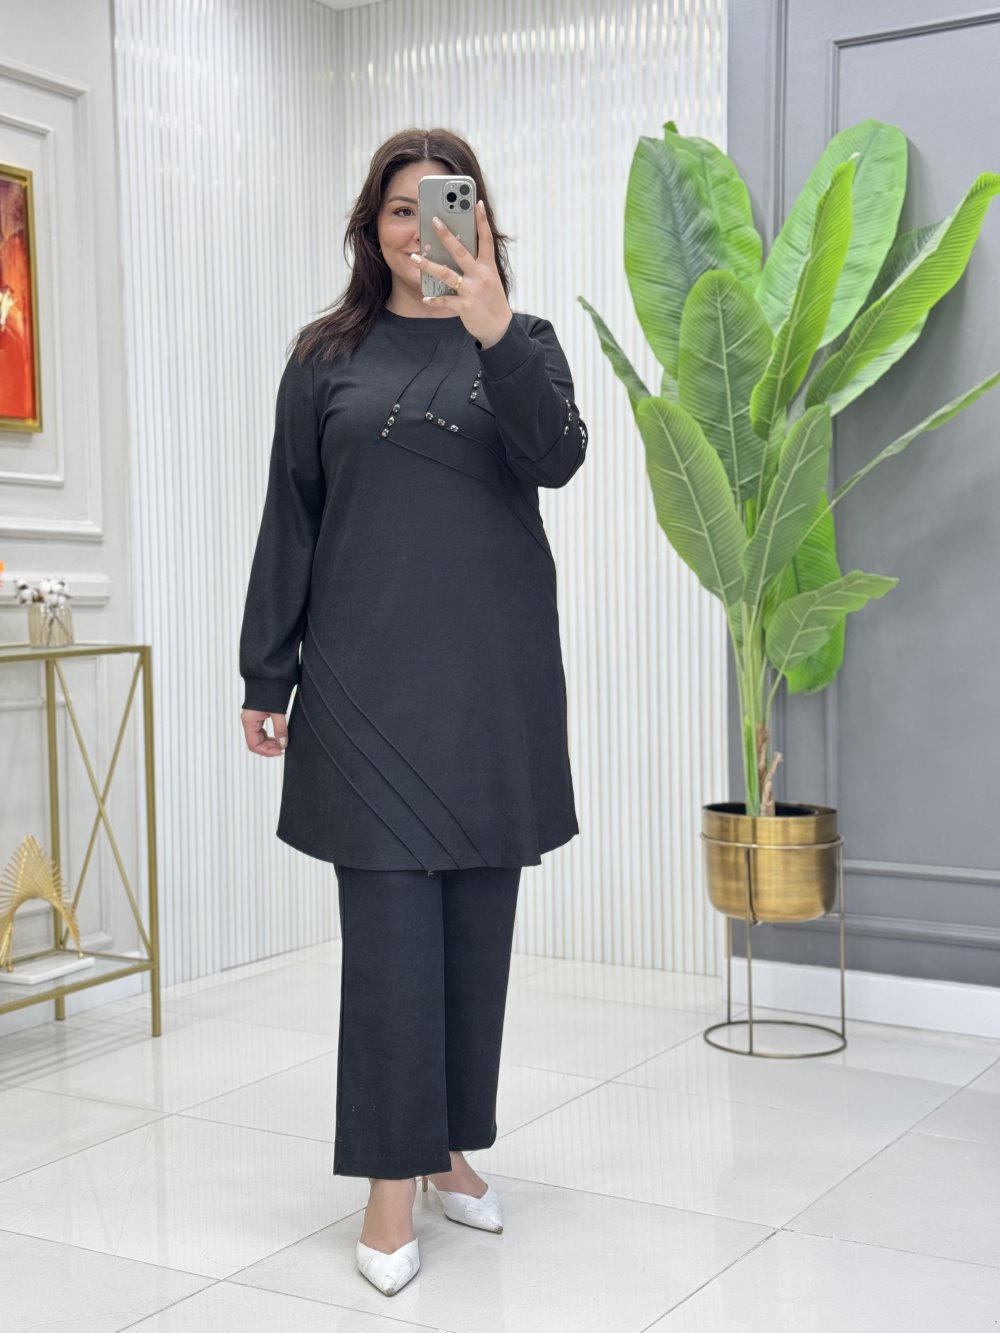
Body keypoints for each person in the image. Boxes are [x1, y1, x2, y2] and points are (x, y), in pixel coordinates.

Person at [238, 128, 588, 1297]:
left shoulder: (524, 343)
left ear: (479, 219)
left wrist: (492, 326)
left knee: (478, 932)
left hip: (491, 684)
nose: (418, 226)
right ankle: (391, 1186)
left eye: (443, 203)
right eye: (399, 207)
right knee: (391, 941)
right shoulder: (324, 356)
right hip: (364, 682)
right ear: (370, 226)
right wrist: (266, 671)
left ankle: (446, 1148)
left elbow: (558, 459)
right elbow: (292, 515)